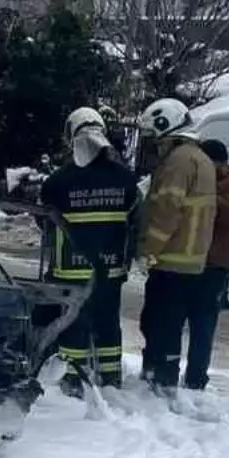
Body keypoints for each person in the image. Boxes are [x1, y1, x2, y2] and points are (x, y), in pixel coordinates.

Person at [42, 106, 140, 393]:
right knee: (108, 322)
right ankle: (110, 378)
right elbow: (135, 219)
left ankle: (73, 378)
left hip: (71, 269)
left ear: (72, 136)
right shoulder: (125, 179)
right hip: (111, 270)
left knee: (74, 324)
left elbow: (44, 221)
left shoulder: (58, 181)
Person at [136, 98, 217, 390]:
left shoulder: (178, 161)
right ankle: (163, 375)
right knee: (169, 325)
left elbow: (166, 211)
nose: (151, 145)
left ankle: (159, 378)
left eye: (151, 137)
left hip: (172, 260)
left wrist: (148, 251)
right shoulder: (200, 158)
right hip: (192, 261)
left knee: (159, 324)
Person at [183, 139, 229, 391]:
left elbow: (228, 213)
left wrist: (200, 193)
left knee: (203, 324)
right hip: (192, 259)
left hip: (215, 262)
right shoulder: (208, 180)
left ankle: (196, 378)